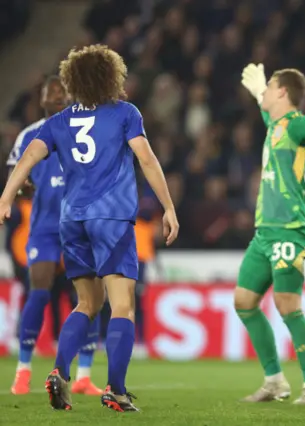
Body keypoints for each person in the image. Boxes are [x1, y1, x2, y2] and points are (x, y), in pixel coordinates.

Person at [0, 44, 179, 412]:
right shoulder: (125, 113)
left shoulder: (58, 121)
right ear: (111, 76)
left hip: (72, 221)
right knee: (122, 307)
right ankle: (116, 389)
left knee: (87, 302)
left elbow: (28, 158)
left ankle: (60, 372)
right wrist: (168, 206)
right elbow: (145, 157)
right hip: (111, 219)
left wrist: (5, 197)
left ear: (74, 81)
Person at [234, 52, 305, 404]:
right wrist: (258, 90)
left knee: (287, 304)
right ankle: (274, 380)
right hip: (265, 232)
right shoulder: (275, 125)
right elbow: (265, 111)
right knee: (244, 302)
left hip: (290, 229)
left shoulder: (296, 127)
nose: (264, 94)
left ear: (282, 93)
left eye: (269, 88)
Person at [7, 76, 101, 396]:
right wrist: (18, 189)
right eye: (52, 92)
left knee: (89, 299)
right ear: (42, 98)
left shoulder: (85, 131)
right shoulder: (29, 136)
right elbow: (15, 175)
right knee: (40, 292)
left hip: (80, 228)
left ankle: (85, 375)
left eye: (63, 92)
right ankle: (23, 371)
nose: (58, 96)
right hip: (45, 229)